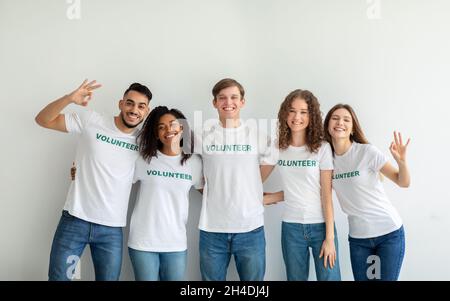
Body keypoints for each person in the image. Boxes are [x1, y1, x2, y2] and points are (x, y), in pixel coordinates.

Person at [35, 80, 152, 281]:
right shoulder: (92, 120)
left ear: (146, 111)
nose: (134, 110)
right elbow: (43, 120)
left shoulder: (144, 142)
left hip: (111, 229)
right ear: (121, 104)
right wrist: (69, 98)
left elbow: (174, 148)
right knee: (59, 279)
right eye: (130, 103)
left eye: (141, 106)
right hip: (75, 219)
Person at [324, 104, 410, 281]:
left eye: (346, 119)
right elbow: (324, 197)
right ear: (328, 125)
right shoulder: (326, 160)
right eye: (335, 118)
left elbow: (403, 182)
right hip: (359, 239)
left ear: (352, 127)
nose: (340, 122)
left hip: (389, 233)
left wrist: (402, 162)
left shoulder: (366, 152)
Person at [196, 78, 272, 281]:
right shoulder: (201, 136)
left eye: (234, 97)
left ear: (242, 102)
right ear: (214, 102)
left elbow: (271, 162)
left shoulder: (258, 135)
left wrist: (253, 186)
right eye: (222, 98)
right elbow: (194, 173)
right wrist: (213, 190)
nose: (228, 102)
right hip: (212, 229)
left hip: (250, 228)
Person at [262, 89, 341, 281]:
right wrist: (268, 197)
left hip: (321, 226)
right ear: (284, 114)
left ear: (311, 116)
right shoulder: (277, 147)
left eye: (304, 112)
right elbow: (254, 181)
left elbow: (325, 194)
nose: (297, 117)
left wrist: (329, 238)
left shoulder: (322, 148)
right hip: (291, 228)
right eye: (292, 111)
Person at [128, 106, 203, 281]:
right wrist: (79, 171)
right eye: (161, 127)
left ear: (182, 128)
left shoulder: (194, 162)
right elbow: (116, 180)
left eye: (172, 124)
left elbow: (209, 194)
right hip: (143, 241)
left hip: (175, 243)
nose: (168, 130)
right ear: (156, 134)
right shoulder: (144, 159)